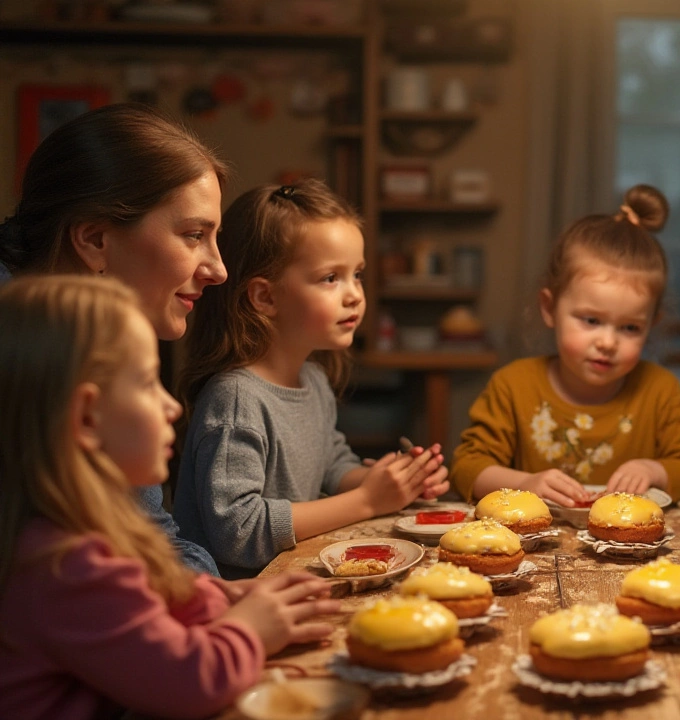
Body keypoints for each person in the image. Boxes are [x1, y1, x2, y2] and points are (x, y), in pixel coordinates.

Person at [0, 275, 339, 720]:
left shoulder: (73, 534)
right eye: (147, 384)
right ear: (85, 417)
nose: (173, 407)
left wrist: (226, 599)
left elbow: (150, 600)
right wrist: (251, 629)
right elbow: (191, 681)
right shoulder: (67, 566)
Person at [174, 179, 449, 578]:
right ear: (265, 298)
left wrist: (390, 480)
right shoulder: (236, 398)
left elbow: (331, 465)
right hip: (239, 604)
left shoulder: (313, 380)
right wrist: (368, 502)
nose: (354, 294)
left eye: (356, 274)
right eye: (330, 278)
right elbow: (237, 532)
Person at [0, 102, 227, 576]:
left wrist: (217, 596)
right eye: (193, 235)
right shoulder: (26, 354)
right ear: (95, 240)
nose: (218, 270)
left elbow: (152, 536)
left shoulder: (100, 333)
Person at [450, 184, 680, 506]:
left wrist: (654, 469)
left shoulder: (661, 392)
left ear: (651, 326)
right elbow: (466, 468)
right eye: (591, 321)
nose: (607, 342)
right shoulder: (513, 387)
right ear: (549, 309)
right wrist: (525, 483)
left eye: (630, 327)